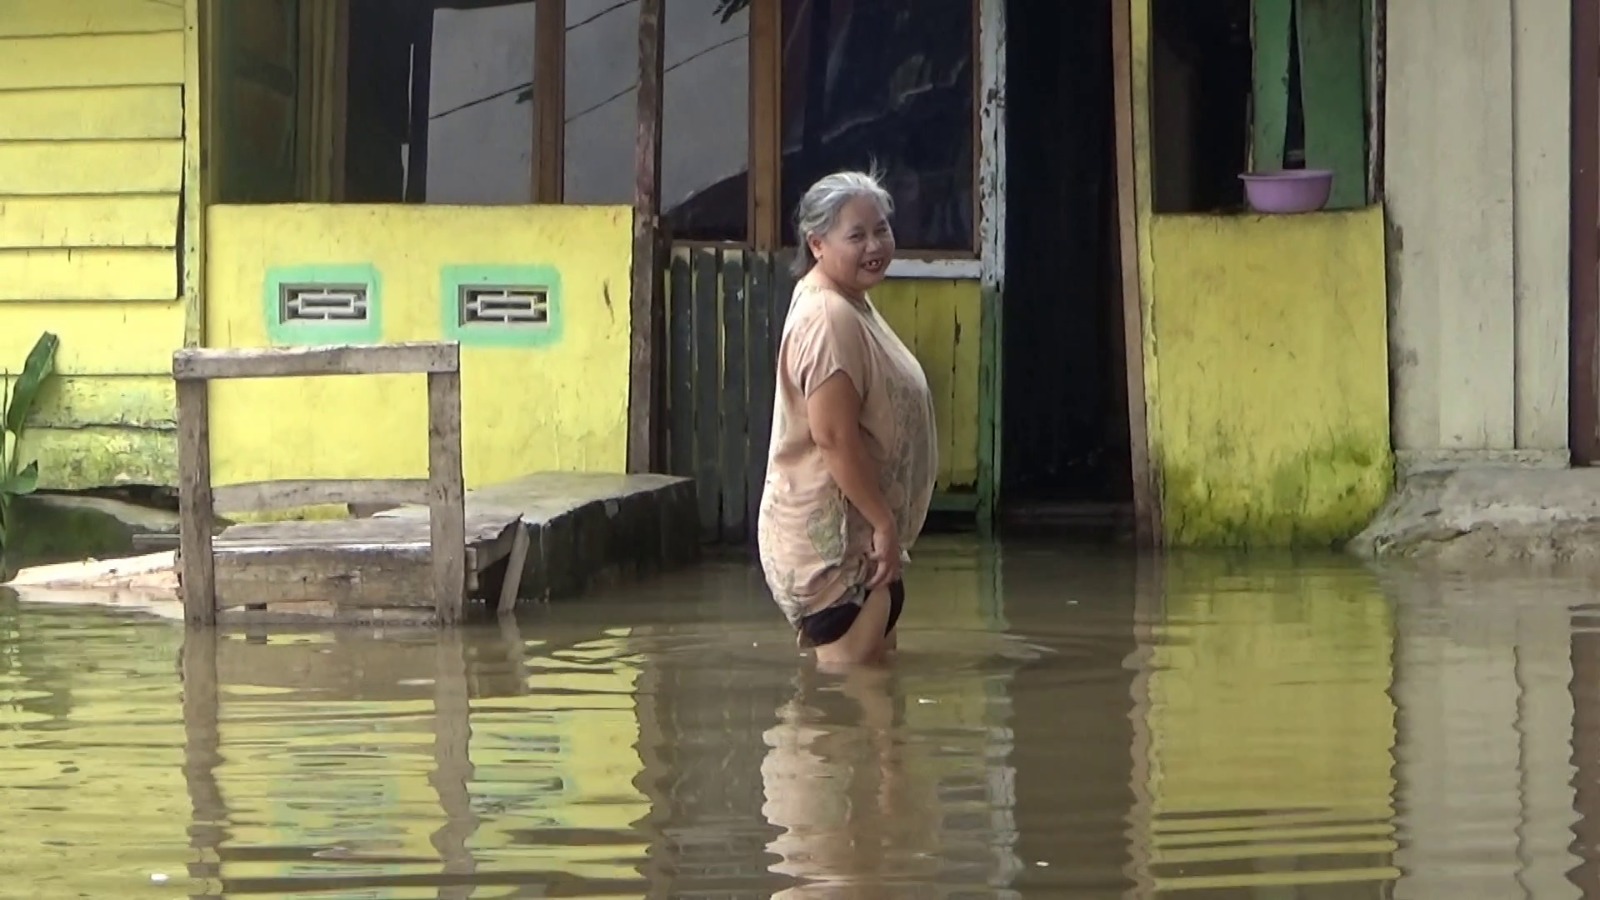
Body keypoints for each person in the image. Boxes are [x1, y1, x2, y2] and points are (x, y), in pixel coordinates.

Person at [756, 169, 938, 667]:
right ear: (816, 244)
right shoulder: (828, 318)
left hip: (866, 550)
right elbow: (834, 438)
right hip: (836, 556)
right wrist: (882, 522)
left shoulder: (850, 304)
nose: (875, 245)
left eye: (881, 229)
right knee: (840, 712)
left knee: (875, 714)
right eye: (856, 235)